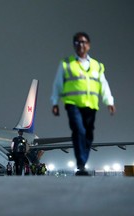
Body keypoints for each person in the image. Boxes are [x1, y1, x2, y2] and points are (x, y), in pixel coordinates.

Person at [51, 32, 116, 176]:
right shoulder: (66, 63)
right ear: (74, 46)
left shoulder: (97, 66)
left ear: (89, 45)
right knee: (78, 131)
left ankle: (82, 162)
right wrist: (55, 102)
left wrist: (109, 101)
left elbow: (103, 84)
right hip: (72, 104)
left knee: (88, 134)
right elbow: (58, 84)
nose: (81, 45)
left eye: (83, 42)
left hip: (91, 105)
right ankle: (81, 164)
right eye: (77, 42)